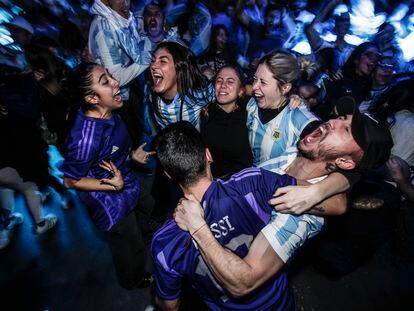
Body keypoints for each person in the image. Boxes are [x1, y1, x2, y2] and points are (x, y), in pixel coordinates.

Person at [169, 103, 392, 306]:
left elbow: (243, 282)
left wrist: (197, 227)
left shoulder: (300, 215)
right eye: (341, 117)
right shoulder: (301, 148)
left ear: (344, 161)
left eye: (345, 130)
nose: (332, 122)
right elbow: (349, 178)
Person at [62, 63, 154, 289]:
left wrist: (131, 156)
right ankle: (133, 280)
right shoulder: (85, 138)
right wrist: (111, 185)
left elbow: (110, 151)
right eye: (105, 81)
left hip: (125, 179)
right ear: (92, 99)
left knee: (151, 209)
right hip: (109, 202)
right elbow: (70, 180)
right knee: (130, 246)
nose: (115, 82)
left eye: (110, 76)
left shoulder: (111, 111)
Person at [200, 65, 252, 179]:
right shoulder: (206, 112)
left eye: (230, 81)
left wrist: (294, 99)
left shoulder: (250, 110)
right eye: (219, 81)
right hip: (215, 182)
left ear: (240, 91)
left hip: (244, 181)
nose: (223, 85)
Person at [149, 41, 215, 130]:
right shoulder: (153, 97)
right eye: (153, 61)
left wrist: (210, 76)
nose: (153, 66)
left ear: (179, 69)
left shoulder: (197, 95)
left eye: (163, 61)